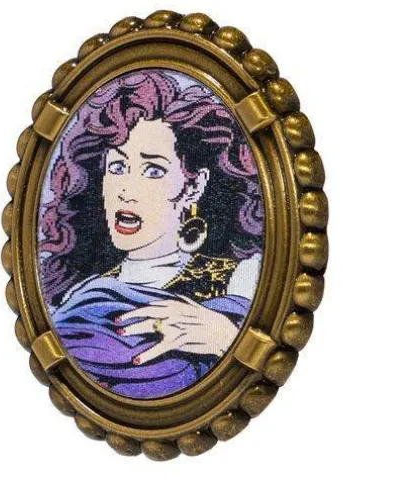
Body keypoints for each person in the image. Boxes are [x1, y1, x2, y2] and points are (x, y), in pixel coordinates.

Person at [38, 69, 264, 398]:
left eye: (153, 170)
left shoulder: (242, 278)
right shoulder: (79, 297)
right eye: (117, 168)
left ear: (194, 186)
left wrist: (224, 337)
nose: (126, 191)